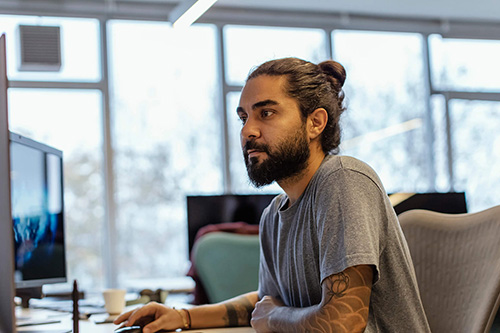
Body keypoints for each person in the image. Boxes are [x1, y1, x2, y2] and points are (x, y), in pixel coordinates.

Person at [114, 57, 431, 332]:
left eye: (265, 113)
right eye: (243, 117)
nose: (247, 131)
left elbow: (342, 323)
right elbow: (265, 305)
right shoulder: (274, 215)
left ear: (315, 123)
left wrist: (275, 317)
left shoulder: (343, 180)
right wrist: (182, 316)